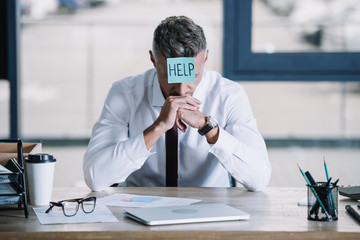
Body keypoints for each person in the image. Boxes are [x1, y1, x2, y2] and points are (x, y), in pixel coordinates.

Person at [83, 16, 271, 192]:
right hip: (141, 205)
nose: (181, 91)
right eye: (170, 76)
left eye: (193, 77)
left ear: (204, 59)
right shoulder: (125, 93)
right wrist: (157, 128)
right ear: (153, 61)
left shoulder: (229, 95)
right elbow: (95, 177)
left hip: (211, 207)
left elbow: (260, 178)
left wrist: (209, 128)